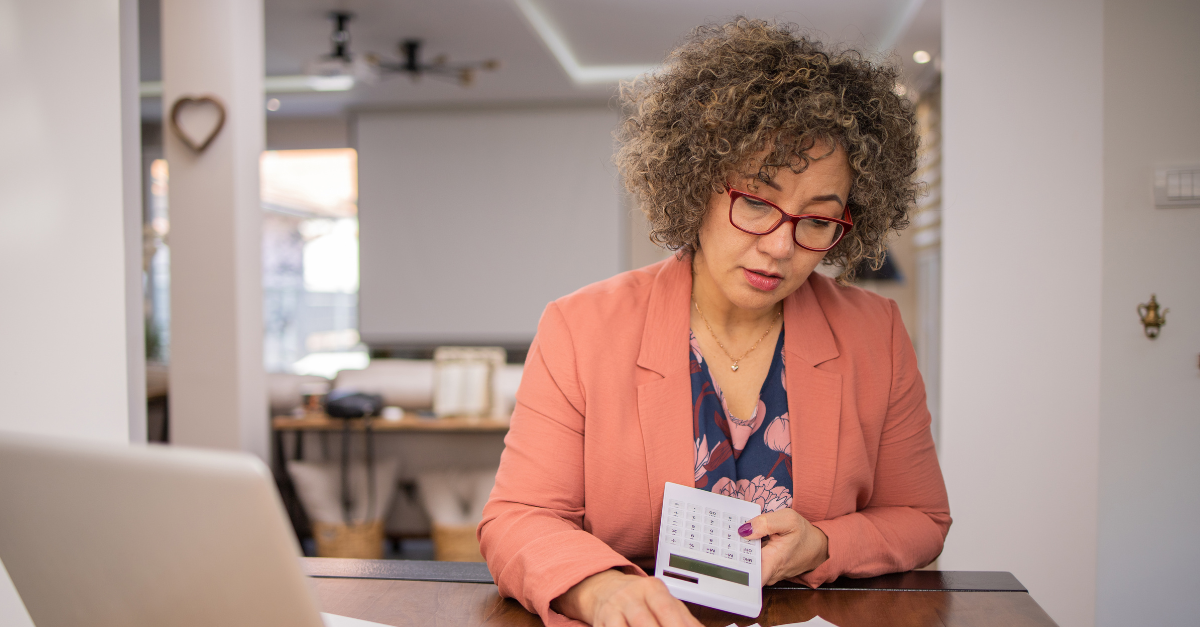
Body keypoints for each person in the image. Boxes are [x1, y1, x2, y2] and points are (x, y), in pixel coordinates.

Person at [478, 18, 950, 627]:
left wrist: (827, 544)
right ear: (697, 184)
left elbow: (921, 517)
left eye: (817, 219)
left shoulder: (874, 333)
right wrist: (597, 589)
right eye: (756, 201)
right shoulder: (581, 327)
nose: (781, 247)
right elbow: (517, 517)